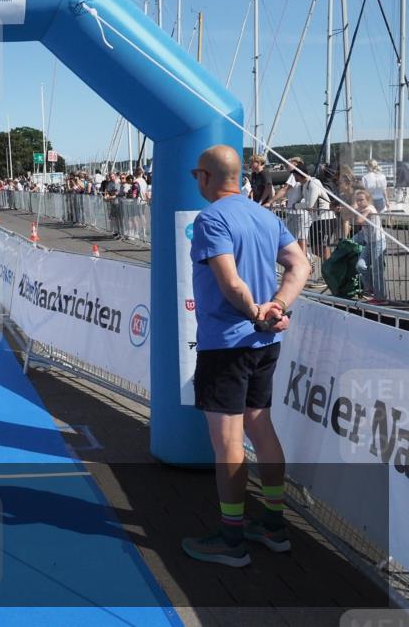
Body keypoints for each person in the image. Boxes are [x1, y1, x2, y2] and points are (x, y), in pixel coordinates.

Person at [182, 145, 310, 568]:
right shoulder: (264, 215)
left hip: (227, 345)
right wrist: (277, 307)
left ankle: (231, 539)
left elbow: (231, 283)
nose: (195, 182)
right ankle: (273, 525)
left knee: (228, 443)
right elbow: (300, 265)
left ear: (205, 177)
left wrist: (258, 311)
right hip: (263, 344)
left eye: (196, 176)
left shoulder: (211, 219)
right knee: (261, 426)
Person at [351, 189, 387, 301]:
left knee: (377, 271)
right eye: (357, 200)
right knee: (360, 266)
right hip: (369, 243)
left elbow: (359, 220)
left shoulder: (370, 209)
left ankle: (380, 297)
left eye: (361, 200)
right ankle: (370, 289)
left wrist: (356, 210)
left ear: (368, 200)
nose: (359, 202)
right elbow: (349, 212)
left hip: (378, 242)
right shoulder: (361, 209)